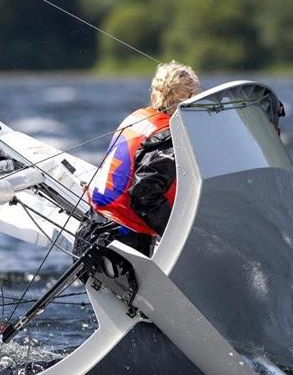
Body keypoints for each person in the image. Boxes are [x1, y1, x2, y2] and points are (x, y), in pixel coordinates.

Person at [75, 61, 201, 257]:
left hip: (89, 228)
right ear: (190, 101)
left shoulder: (137, 118)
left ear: (153, 96)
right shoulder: (167, 137)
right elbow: (144, 196)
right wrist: (187, 239)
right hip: (121, 245)